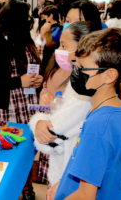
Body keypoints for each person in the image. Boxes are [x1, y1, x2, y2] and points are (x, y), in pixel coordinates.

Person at [50, 28, 121, 199]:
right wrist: (62, 184)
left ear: (109, 75)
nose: (75, 72)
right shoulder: (114, 110)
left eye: (82, 68)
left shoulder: (100, 126)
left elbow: (85, 196)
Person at [0, 0, 43, 199]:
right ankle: (5, 187)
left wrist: (37, 80)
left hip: (26, 103)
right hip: (5, 105)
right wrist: (18, 81)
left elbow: (32, 68)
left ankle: (26, 185)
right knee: (5, 146)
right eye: (26, 17)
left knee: (26, 149)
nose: (29, 21)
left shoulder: (24, 40)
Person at [28, 22, 92, 187]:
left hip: (69, 169)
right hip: (62, 163)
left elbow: (51, 132)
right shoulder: (71, 75)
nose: (60, 50)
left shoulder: (83, 88)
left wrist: (39, 121)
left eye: (64, 45)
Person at [38, 5, 62, 74]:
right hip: (45, 55)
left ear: (51, 15)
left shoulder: (58, 28)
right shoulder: (48, 26)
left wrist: (45, 32)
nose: (44, 19)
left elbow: (51, 43)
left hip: (51, 57)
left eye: (44, 17)